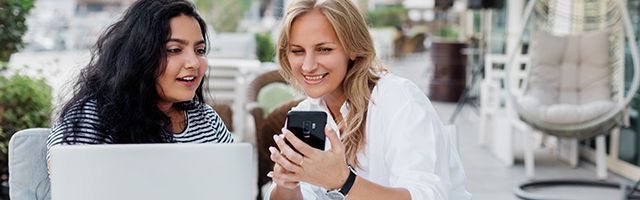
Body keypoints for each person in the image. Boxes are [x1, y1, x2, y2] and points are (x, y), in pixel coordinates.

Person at [266, 0, 470, 199]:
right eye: (297, 51)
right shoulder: (306, 113)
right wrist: (287, 184)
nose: (308, 66)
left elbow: (425, 195)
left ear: (352, 48)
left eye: (324, 49)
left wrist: (343, 182)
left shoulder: (398, 100)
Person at [46, 0, 233, 158]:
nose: (193, 62)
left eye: (199, 50)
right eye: (174, 50)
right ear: (139, 56)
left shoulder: (207, 119)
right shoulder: (94, 117)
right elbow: (65, 178)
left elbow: (235, 181)